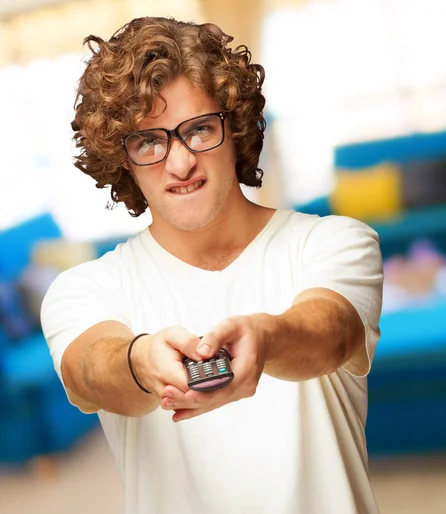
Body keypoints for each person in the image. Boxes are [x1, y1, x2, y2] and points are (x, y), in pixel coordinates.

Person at [40, 16, 384, 514]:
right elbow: (89, 371)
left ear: (236, 126)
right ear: (123, 160)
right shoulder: (85, 289)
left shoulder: (332, 242)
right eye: (149, 141)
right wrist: (140, 363)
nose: (180, 164)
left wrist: (266, 339)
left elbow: (330, 332)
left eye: (199, 129)